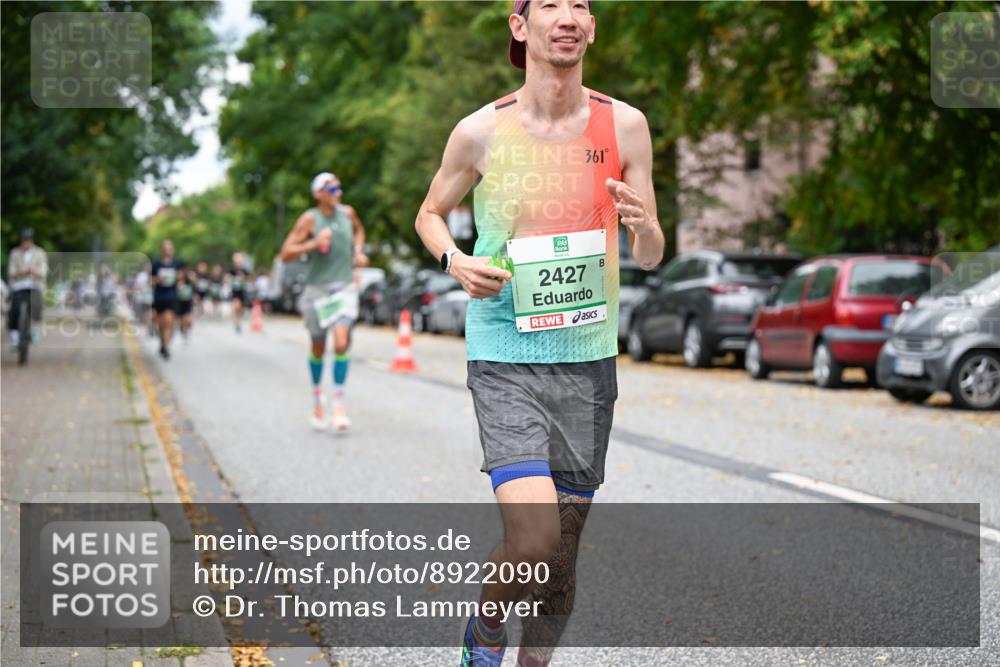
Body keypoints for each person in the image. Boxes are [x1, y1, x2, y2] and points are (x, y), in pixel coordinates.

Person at [414, 2, 664, 665]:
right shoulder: (480, 131)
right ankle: (486, 627)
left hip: (587, 361)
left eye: (580, 4)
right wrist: (455, 260)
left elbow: (650, 254)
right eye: (550, 4)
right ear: (520, 26)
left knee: (560, 561)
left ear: (592, 28)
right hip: (505, 354)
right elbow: (429, 213)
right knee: (532, 541)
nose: (568, 16)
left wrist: (644, 228)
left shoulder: (626, 125)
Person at [280, 172, 368, 432]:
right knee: (318, 347)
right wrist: (314, 243)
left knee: (341, 342)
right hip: (316, 290)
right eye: (331, 189)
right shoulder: (309, 219)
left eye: (339, 188)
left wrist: (358, 252)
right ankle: (318, 398)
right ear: (318, 194)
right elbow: (285, 253)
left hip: (343, 288)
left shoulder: (348, 213)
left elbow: (359, 231)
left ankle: (338, 402)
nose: (337, 193)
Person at [7, 228, 48, 350]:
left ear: (31, 240)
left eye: (27, 240)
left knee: (37, 304)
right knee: (13, 309)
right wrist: (22, 272)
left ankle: (35, 328)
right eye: (23, 240)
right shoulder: (15, 253)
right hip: (19, 285)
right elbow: (11, 272)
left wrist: (33, 271)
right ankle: (14, 338)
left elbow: (43, 272)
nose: (25, 243)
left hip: (35, 284)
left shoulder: (40, 253)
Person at [151, 239, 182, 359]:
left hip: (172, 296)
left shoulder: (177, 264)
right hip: (159, 296)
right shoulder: (156, 264)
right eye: (165, 248)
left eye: (169, 248)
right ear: (162, 250)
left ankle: (166, 346)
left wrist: (179, 278)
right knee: (161, 323)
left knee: (169, 321)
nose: (168, 250)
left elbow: (181, 278)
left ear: (172, 250)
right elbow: (151, 281)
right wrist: (159, 279)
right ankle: (162, 343)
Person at [229, 252, 250, 333]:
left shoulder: (244, 270)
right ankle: (236, 322)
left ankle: (238, 320)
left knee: (241, 308)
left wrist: (243, 277)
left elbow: (249, 279)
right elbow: (227, 278)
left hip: (242, 291)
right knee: (236, 306)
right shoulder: (232, 270)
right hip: (235, 291)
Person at [176, 268, 195, 343]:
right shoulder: (175, 282)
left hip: (188, 302)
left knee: (188, 318)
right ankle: (183, 330)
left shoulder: (189, 281)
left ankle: (188, 330)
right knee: (181, 320)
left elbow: (194, 288)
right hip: (179, 303)